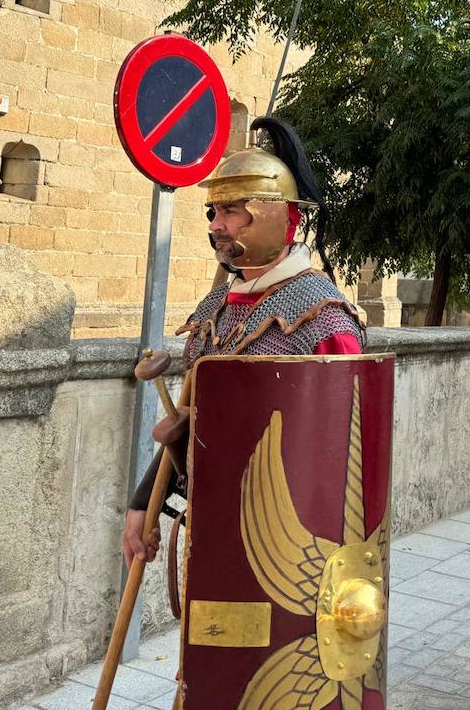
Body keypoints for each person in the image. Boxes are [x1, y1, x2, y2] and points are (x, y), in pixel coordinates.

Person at [122, 117, 364, 566]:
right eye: (213, 212)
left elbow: (341, 456)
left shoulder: (323, 318)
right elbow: (191, 424)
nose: (216, 224)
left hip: (292, 551)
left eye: (231, 210)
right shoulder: (216, 306)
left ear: (279, 214)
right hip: (211, 530)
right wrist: (143, 503)